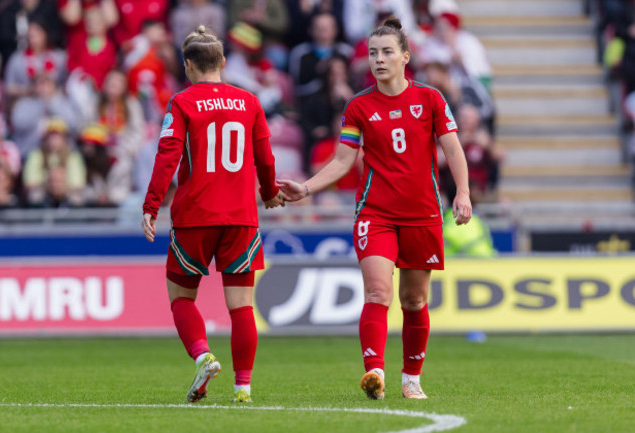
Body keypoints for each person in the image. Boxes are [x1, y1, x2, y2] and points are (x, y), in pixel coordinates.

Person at [278, 16, 471, 401]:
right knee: (377, 293)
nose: (378, 60)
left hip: (424, 212)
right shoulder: (359, 107)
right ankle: (375, 373)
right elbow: (342, 160)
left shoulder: (430, 99)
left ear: (404, 56)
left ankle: (411, 378)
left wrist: (463, 193)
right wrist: (306, 187)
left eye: (386, 52)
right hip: (376, 214)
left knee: (414, 300)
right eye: (372, 53)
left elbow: (452, 148)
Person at [141, 25, 285, 404]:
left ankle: (203, 355)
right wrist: (269, 194)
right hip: (240, 217)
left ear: (188, 65)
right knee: (241, 307)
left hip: (195, 216)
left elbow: (167, 156)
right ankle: (243, 388)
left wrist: (151, 205)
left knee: (181, 298)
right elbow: (266, 158)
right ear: (222, 62)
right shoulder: (250, 101)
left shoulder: (182, 103)